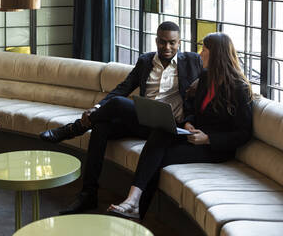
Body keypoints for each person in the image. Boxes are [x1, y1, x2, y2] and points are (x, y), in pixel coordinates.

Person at [40, 21, 202, 214]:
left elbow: (217, 72)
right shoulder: (145, 61)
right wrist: (97, 107)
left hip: (168, 127)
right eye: (162, 42)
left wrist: (200, 81)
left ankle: (73, 129)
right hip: (142, 121)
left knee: (117, 104)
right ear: (156, 40)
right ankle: (88, 195)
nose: (167, 47)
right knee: (101, 126)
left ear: (179, 43)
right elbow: (123, 88)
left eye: (172, 43)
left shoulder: (192, 61)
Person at [108, 32, 253, 220]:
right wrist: (189, 122)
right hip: (193, 135)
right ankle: (132, 200)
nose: (200, 54)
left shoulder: (239, 88)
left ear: (216, 54)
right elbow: (194, 110)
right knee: (160, 132)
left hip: (215, 148)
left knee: (159, 156)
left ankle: (136, 207)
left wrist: (208, 138)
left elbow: (243, 133)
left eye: (204, 50)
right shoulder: (206, 77)